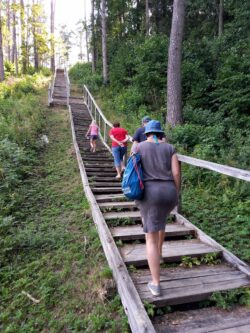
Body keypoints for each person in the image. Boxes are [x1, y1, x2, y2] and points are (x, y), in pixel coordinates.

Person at [135, 120, 180, 297]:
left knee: (150, 239)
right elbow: (176, 173)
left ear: (146, 133)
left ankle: (155, 283)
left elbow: (134, 172)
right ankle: (159, 255)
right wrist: (175, 193)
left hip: (150, 194)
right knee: (161, 224)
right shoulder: (170, 148)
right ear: (160, 133)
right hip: (169, 192)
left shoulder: (138, 148)